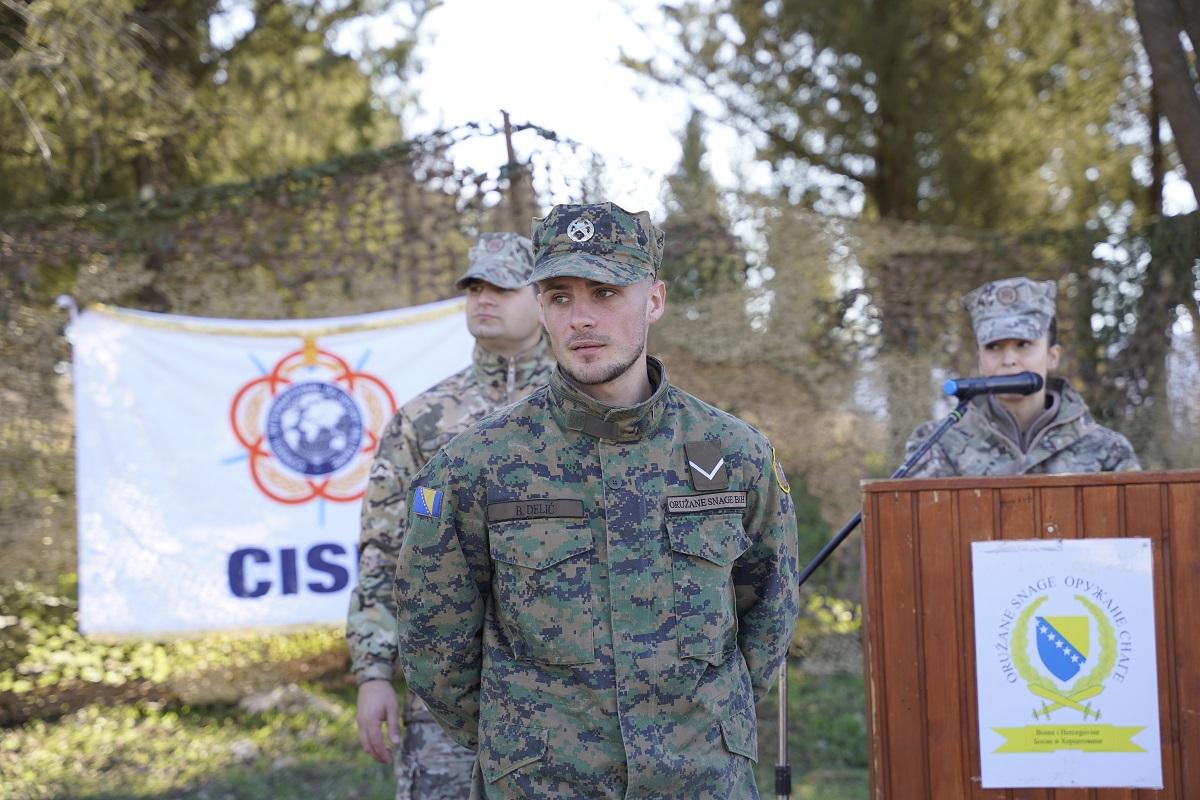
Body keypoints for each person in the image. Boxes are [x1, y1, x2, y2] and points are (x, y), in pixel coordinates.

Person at [394, 202, 801, 799]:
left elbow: (769, 613)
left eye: (606, 293)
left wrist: (705, 729)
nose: (581, 318)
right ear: (541, 309)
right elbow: (436, 644)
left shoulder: (734, 454)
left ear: (654, 300)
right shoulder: (473, 466)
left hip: (701, 781)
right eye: (560, 297)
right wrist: (525, 743)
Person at [348, 232, 555, 800]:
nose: (484, 298)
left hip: (565, 700)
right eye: (474, 287)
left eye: (502, 287)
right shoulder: (423, 420)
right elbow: (384, 549)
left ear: (542, 301)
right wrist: (373, 671)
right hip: (444, 694)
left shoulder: (583, 410)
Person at [904, 276, 1140, 477]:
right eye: (993, 347)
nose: (1009, 360)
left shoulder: (1108, 450)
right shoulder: (936, 444)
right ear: (980, 360)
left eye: (1024, 344)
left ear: (1052, 356)